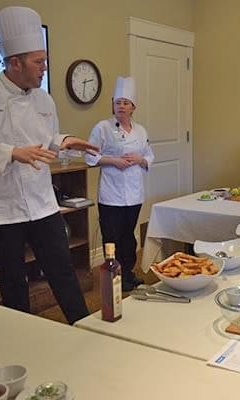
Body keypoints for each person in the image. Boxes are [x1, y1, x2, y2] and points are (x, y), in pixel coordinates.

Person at [0, 6, 97, 324]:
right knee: (13, 281)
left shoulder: (45, 99)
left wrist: (63, 140)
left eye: (44, 60)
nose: (45, 68)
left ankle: (85, 329)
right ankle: (25, 341)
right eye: (38, 62)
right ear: (14, 63)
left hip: (41, 202)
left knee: (62, 269)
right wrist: (11, 152)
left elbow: (44, 139)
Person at [85, 77, 154, 291]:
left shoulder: (141, 130)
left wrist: (140, 160)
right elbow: (90, 157)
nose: (121, 106)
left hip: (134, 194)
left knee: (128, 237)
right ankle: (113, 275)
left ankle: (128, 273)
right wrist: (114, 161)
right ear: (113, 105)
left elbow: (149, 156)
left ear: (133, 107)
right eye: (117, 102)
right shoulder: (103, 128)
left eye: (125, 103)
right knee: (112, 237)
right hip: (111, 194)